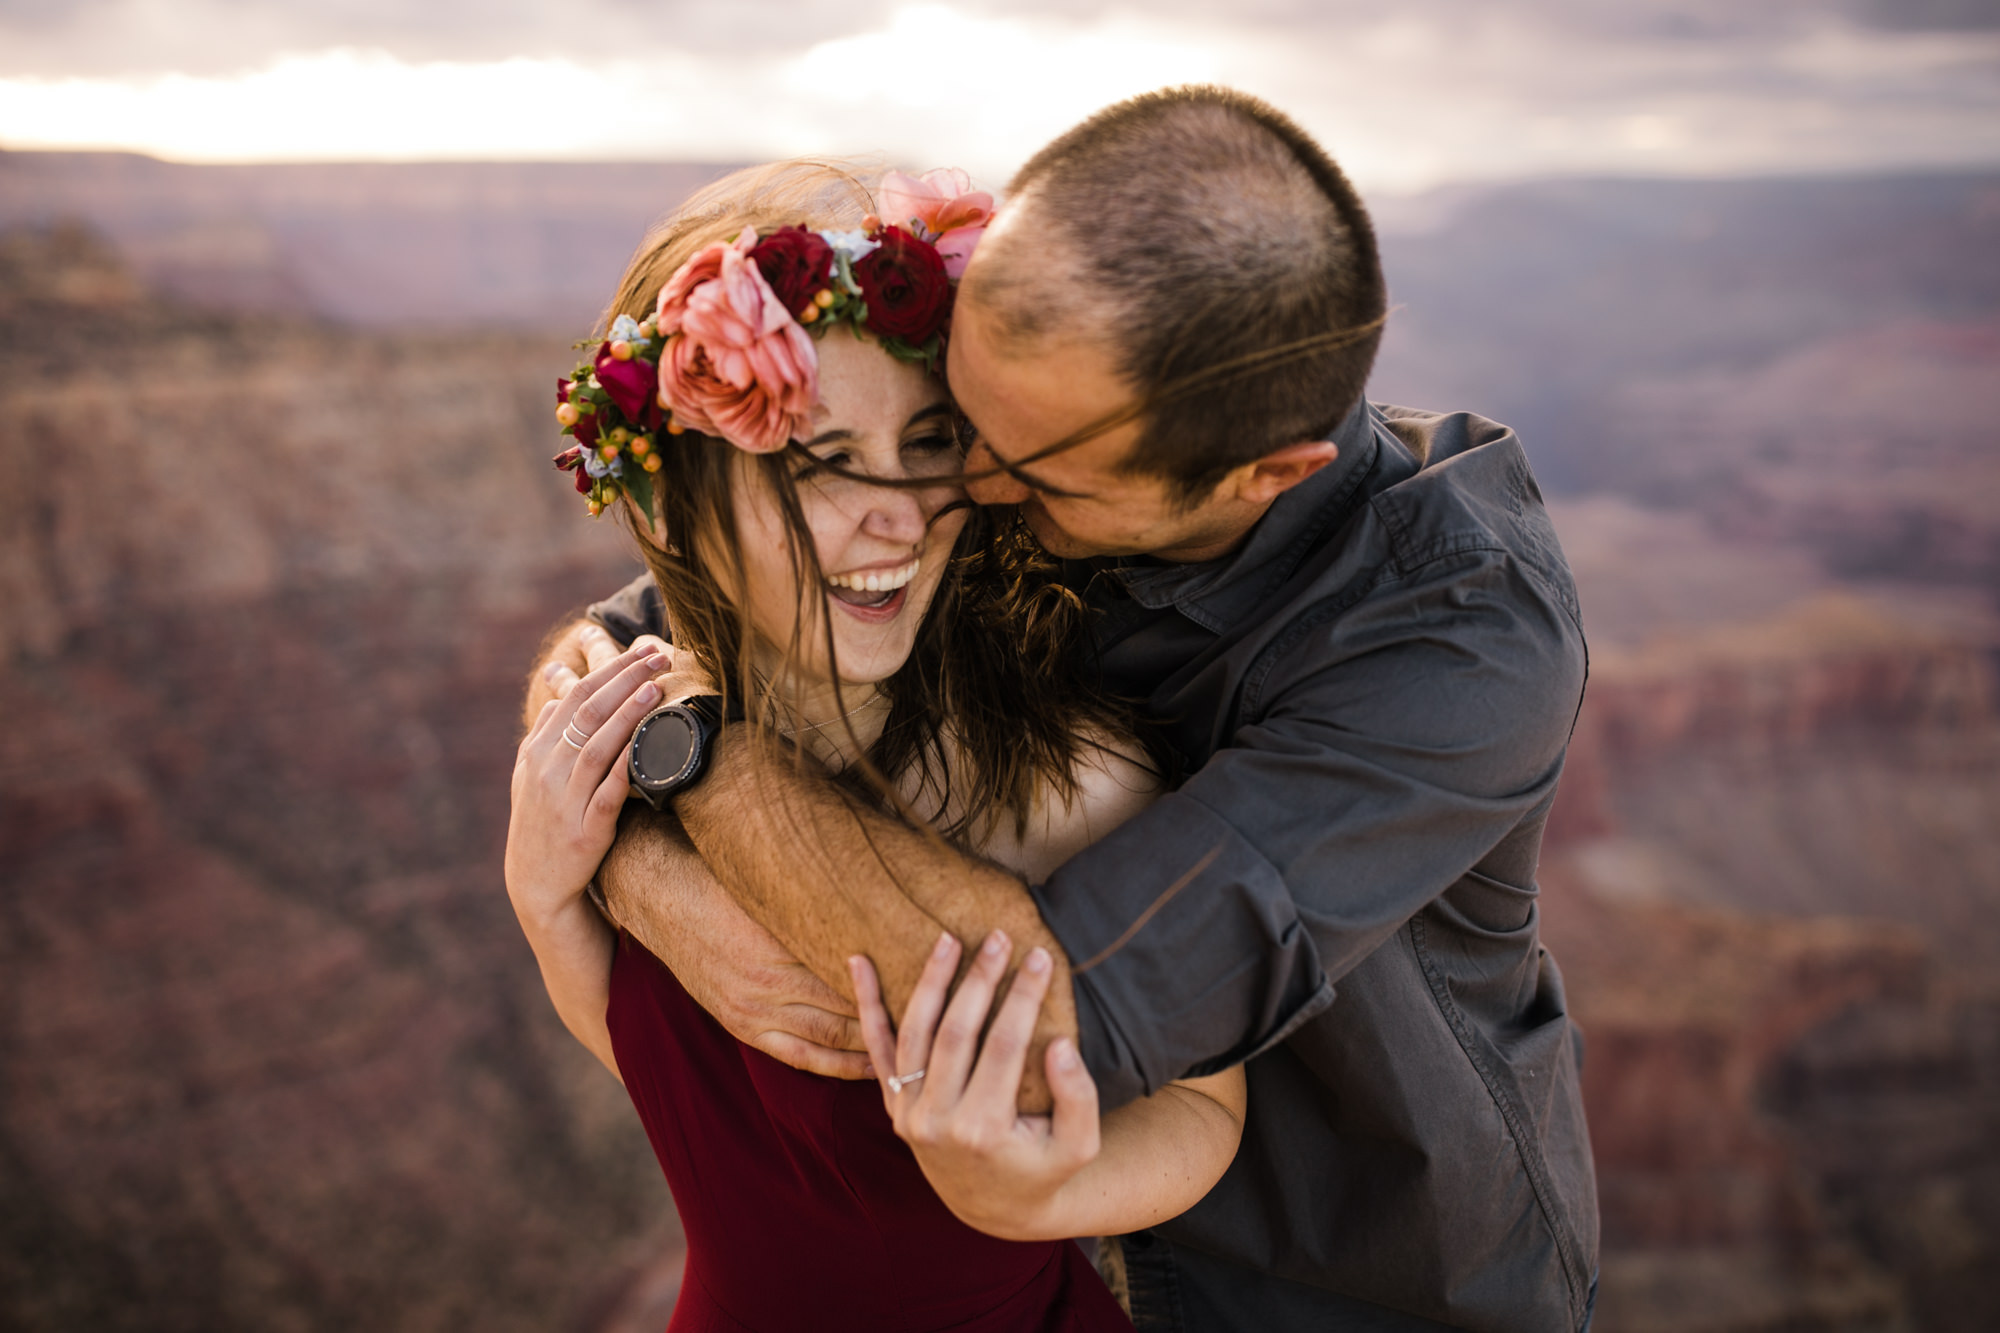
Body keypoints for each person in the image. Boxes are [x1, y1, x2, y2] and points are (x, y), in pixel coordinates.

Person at [544, 87, 1601, 1331]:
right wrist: (614, 863)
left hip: (1359, 1286)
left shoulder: (1457, 646)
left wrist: (696, 771)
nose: (960, 491)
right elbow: (674, 609)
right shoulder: (1024, 451)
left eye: (1012, 459)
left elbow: (1049, 1016)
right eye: (958, 421)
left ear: (1256, 479)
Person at [504, 160, 1250, 1332]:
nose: (895, 512)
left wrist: (1044, 1188)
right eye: (816, 461)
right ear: (664, 501)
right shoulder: (636, 753)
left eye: (927, 442)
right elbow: (696, 1104)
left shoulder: (1070, 784)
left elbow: (1206, 1113)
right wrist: (548, 900)